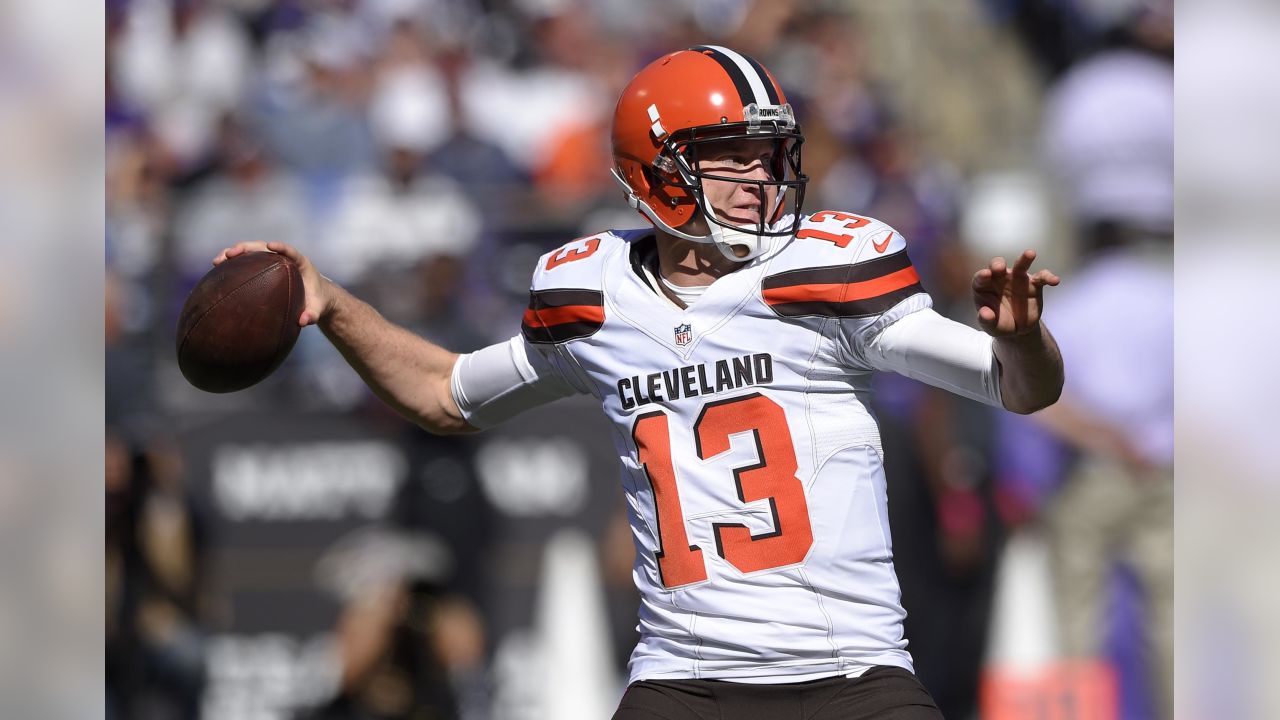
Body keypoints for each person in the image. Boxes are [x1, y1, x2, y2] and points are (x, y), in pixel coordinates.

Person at [214, 46, 1063, 720]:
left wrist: (1024, 340)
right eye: (732, 160)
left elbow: (1018, 387)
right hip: (682, 686)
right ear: (655, 172)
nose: (763, 180)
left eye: (769, 156)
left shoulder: (829, 268)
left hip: (852, 679)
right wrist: (330, 305)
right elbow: (445, 394)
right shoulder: (597, 298)